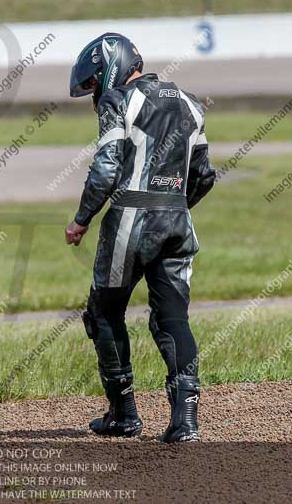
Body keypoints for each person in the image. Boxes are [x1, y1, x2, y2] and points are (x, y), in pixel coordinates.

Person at [65, 33, 215, 443]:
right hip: (178, 222)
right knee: (173, 319)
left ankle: (124, 415)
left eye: (94, 81)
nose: (95, 90)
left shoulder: (118, 102)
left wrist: (81, 220)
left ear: (111, 66)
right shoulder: (190, 103)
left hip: (129, 221)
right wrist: (173, 206)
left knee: (103, 312)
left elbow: (105, 171)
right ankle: (185, 421)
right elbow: (204, 175)